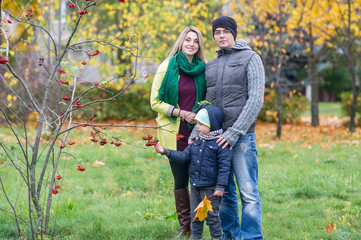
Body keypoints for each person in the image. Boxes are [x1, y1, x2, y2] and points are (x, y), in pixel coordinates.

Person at [206, 16, 265, 240]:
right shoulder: (210, 65)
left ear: (234, 33)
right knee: (224, 193)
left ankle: (252, 237)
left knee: (248, 192)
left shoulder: (251, 58)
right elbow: (206, 104)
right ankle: (230, 236)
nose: (221, 35)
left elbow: (256, 99)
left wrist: (234, 132)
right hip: (216, 138)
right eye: (217, 32)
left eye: (225, 31)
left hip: (241, 138)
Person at [150, 26, 207, 237]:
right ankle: (186, 227)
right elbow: (155, 101)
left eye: (196, 40)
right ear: (181, 42)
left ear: (200, 45)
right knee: (181, 180)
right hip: (174, 132)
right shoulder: (168, 67)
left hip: (199, 132)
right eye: (187, 40)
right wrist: (181, 112)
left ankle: (198, 226)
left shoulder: (203, 69)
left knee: (200, 180)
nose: (191, 44)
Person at [154, 106, 232, 240]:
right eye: (197, 123)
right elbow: (183, 156)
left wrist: (220, 186)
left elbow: (224, 168)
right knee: (195, 215)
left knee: (211, 216)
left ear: (212, 125)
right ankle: (195, 237)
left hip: (211, 189)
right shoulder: (196, 143)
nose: (197, 127)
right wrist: (165, 151)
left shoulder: (220, 144)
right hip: (195, 186)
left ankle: (217, 238)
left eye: (201, 124)